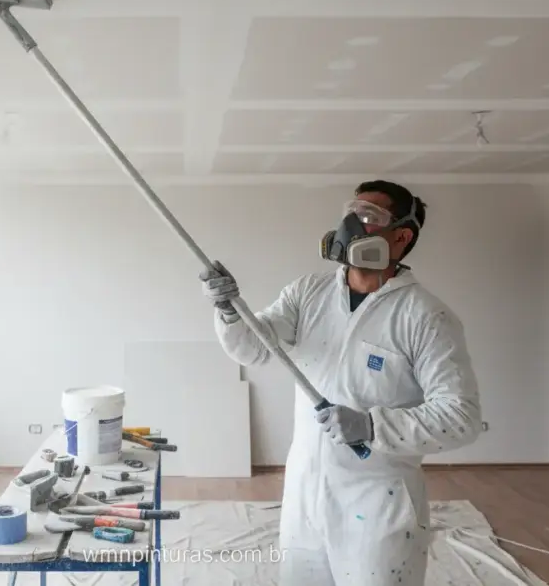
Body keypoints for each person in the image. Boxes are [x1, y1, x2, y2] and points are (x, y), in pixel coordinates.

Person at [199, 179, 482, 586]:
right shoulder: (308, 293)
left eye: (369, 217)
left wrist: (371, 426)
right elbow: (255, 349)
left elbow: (461, 417)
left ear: (400, 236)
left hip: (377, 502)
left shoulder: (424, 317)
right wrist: (228, 309)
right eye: (351, 212)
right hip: (305, 494)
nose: (352, 223)